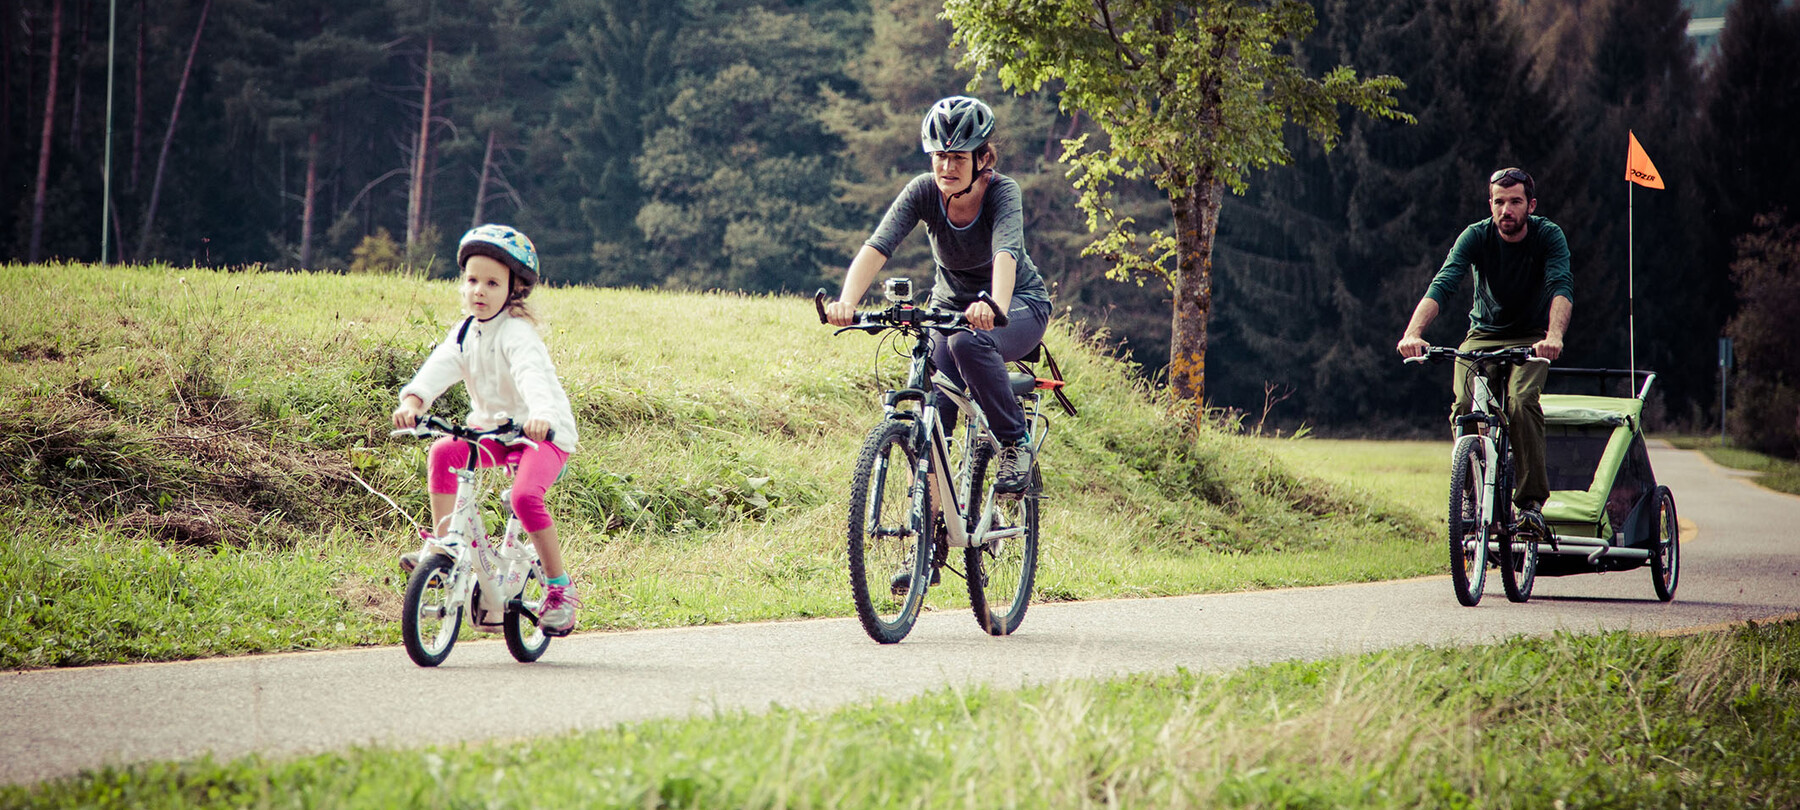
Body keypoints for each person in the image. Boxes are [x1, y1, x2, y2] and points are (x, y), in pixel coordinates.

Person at [824, 95, 1052, 498]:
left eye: (958, 158)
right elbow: (879, 246)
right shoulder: (923, 192)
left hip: (1018, 306)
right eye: (939, 156)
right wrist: (847, 301)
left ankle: (1015, 442)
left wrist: (995, 305)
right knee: (934, 418)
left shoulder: (1002, 193)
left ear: (982, 159)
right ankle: (928, 534)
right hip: (949, 309)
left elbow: (1006, 254)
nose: (946, 167)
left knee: (968, 341)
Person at [391, 224, 583, 635]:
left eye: (492, 282)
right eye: (472, 280)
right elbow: (438, 368)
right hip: (494, 432)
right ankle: (446, 546)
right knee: (444, 451)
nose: (479, 290)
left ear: (513, 290)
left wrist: (542, 416)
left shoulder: (517, 333)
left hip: (542, 435)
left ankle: (559, 588)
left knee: (525, 497)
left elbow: (534, 377)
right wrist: (414, 401)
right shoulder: (464, 332)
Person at [1396, 167, 1573, 530]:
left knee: (1520, 402)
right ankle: (1470, 492)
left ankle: (1530, 505)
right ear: (1490, 204)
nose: (1505, 210)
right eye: (1498, 202)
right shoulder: (1475, 236)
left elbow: (1561, 286)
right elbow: (1443, 283)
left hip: (1531, 338)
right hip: (1481, 336)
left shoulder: (1548, 236)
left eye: (1515, 202)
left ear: (1531, 205)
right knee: (1464, 406)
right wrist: (1413, 333)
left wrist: (1553, 337)